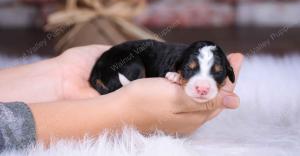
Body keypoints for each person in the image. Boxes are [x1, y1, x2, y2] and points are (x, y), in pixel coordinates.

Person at [0, 45, 243, 152]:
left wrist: (61, 74)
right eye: (191, 70)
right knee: (132, 69)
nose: (202, 85)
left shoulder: (177, 60)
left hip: (99, 69)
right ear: (180, 67)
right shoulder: (171, 62)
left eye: (216, 73)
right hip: (114, 69)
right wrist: (121, 111)